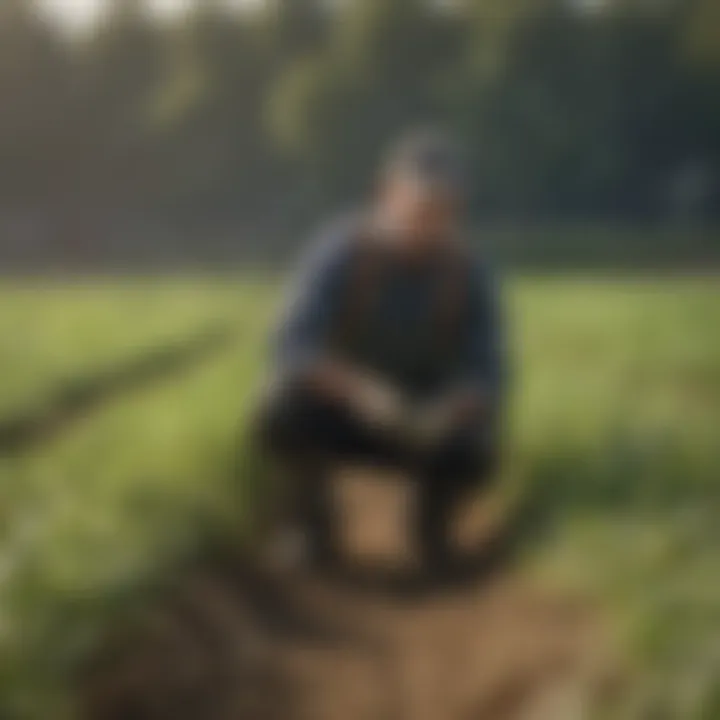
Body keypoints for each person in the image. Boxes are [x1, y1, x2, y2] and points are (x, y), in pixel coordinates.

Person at [250, 129, 507, 578]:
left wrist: (450, 409)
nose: (429, 221)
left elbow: (489, 372)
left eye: (444, 210)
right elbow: (293, 344)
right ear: (386, 195)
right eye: (420, 206)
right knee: (280, 409)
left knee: (477, 444)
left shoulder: (469, 273)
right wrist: (361, 392)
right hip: (347, 409)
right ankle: (312, 526)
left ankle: (433, 532)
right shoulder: (340, 251)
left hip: (428, 417)